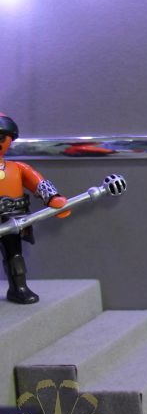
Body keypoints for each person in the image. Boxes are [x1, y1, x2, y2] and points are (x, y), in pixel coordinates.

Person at [0, 114, 70, 304]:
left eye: (1, 137)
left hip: (13, 219)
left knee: (15, 256)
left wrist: (53, 198)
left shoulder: (17, 168)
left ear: (9, 140)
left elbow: (38, 183)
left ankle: (19, 288)